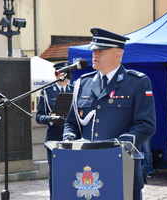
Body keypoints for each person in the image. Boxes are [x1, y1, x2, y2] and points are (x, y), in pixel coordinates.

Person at [63, 28, 156, 200]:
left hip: (122, 168)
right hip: (87, 170)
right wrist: (69, 139)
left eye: (101, 51)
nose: (95, 54)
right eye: (94, 50)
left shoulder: (137, 82)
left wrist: (117, 146)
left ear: (117, 55)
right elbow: (72, 123)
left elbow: (146, 125)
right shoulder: (84, 83)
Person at [35, 62, 74, 200]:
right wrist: (51, 118)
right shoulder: (46, 91)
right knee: (55, 173)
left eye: (66, 72)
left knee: (72, 172)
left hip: (72, 138)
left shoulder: (75, 90)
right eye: (61, 72)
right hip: (54, 137)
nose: (64, 76)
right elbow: (38, 117)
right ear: (56, 74)